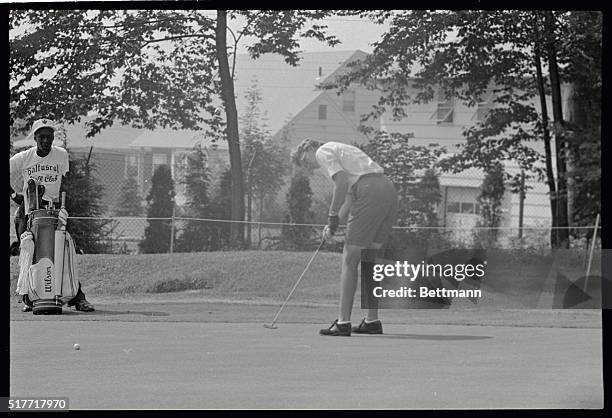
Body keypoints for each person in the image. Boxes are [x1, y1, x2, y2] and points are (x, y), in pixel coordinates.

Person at [291, 138, 398, 336]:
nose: (306, 164)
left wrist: (331, 215)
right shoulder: (343, 154)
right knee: (369, 260)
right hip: (387, 189)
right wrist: (333, 224)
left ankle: (343, 323)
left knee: (350, 259)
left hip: (368, 192)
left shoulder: (322, 151)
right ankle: (372, 321)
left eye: (303, 157)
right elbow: (349, 197)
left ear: (310, 147)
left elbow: (340, 184)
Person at [10, 118, 95, 312]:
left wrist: (64, 207)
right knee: (28, 251)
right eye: (42, 137)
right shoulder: (25, 157)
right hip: (29, 209)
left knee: (63, 252)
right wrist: (15, 195)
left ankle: (77, 298)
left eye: (49, 137)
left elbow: (64, 181)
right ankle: (30, 297)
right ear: (35, 138)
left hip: (54, 209)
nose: (46, 141)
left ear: (53, 137)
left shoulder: (61, 155)